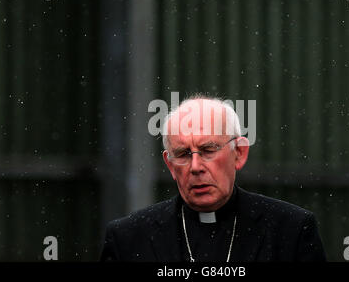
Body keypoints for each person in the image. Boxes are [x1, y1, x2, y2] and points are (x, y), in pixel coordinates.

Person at [100, 94, 326, 262]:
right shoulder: (128, 239)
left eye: (208, 150)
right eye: (183, 154)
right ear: (169, 164)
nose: (196, 167)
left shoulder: (290, 231)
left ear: (239, 153)